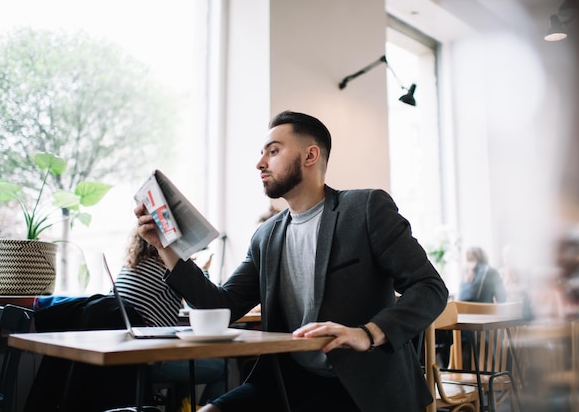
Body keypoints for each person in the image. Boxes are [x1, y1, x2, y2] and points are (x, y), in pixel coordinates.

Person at [135, 110, 448, 412]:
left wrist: (366, 333)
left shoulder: (365, 209)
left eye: (273, 151)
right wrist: (166, 248)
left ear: (310, 156)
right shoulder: (266, 236)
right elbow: (221, 307)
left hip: (362, 388)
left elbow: (430, 287)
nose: (260, 163)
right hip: (288, 383)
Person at [113, 228, 227, 407]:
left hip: (126, 359)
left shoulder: (131, 266)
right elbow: (203, 302)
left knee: (185, 360)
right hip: (151, 361)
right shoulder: (167, 267)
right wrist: (201, 269)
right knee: (223, 369)